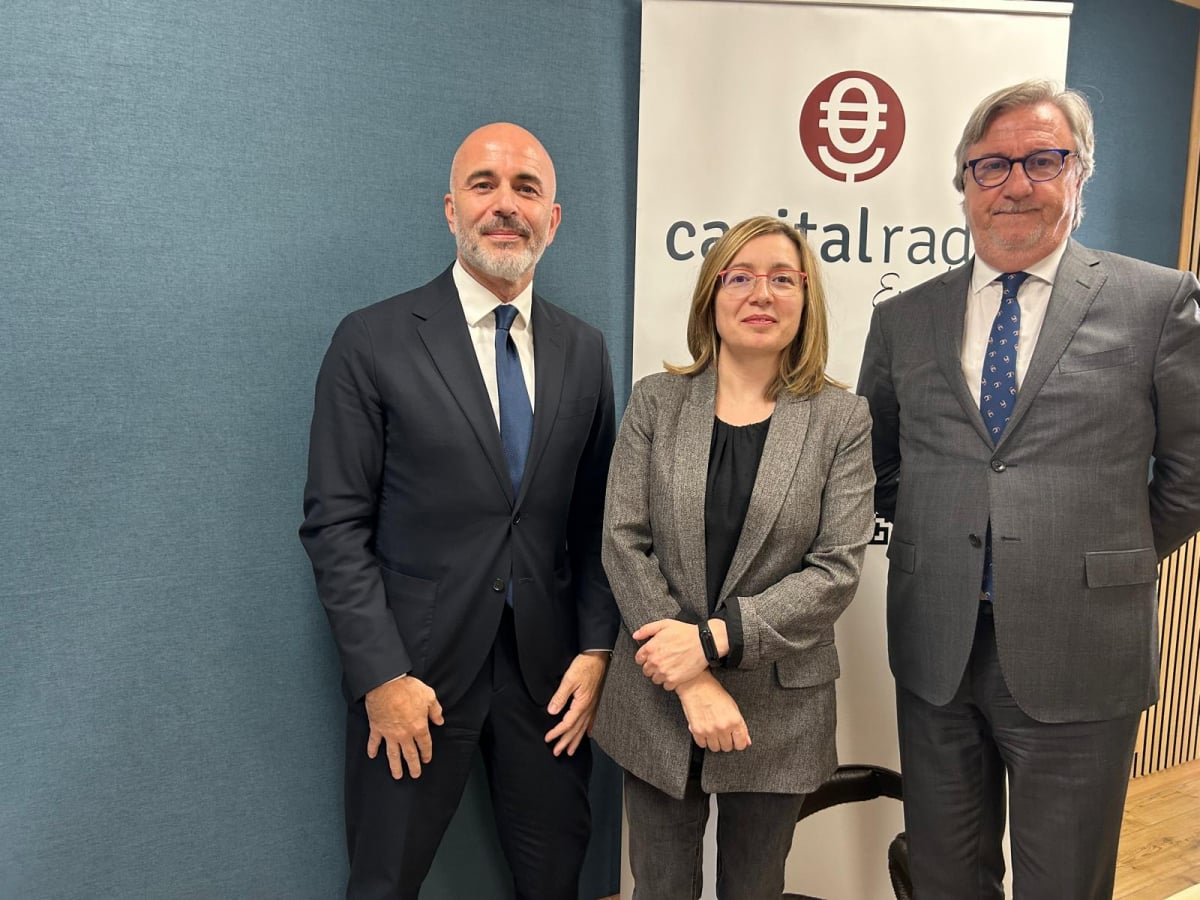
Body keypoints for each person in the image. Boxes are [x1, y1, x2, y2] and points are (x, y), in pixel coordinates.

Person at [857, 79, 1200, 899]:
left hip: (1082, 648)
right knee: (945, 878)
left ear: (1080, 174)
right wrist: (952, 534)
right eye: (991, 165)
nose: (1015, 184)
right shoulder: (904, 319)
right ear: (964, 185)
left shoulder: (1157, 302)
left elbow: (1191, 476)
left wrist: (1099, 558)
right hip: (938, 650)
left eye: (1042, 161)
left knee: (1064, 884)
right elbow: (879, 463)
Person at [299, 122, 618, 900]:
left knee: (556, 882)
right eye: (484, 185)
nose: (505, 205)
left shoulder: (585, 350)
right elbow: (335, 526)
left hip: (549, 683)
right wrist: (380, 675)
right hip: (414, 680)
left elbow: (597, 521)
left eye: (526, 189)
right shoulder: (372, 340)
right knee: (383, 883)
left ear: (553, 219)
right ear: (451, 210)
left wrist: (595, 649)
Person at [592, 216, 875, 899]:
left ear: (805, 299)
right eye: (740, 277)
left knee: (755, 887)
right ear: (710, 295)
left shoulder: (841, 419)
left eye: (783, 279)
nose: (762, 294)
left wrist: (713, 641)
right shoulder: (656, 401)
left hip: (779, 706)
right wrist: (689, 676)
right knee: (659, 887)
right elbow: (623, 539)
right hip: (659, 695)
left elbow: (835, 570)